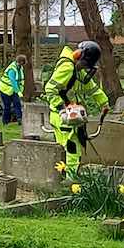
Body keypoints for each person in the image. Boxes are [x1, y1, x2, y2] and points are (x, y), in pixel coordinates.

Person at [44, 41, 110, 173]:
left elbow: (91, 87)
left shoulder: (75, 68)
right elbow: (50, 88)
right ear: (79, 56)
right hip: (63, 116)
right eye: (85, 64)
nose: (85, 68)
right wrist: (63, 109)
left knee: (64, 148)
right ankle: (70, 179)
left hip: (64, 115)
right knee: (72, 149)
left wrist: (103, 103)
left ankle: (61, 177)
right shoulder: (68, 68)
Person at [0, 54, 27, 124]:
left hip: (14, 90)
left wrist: (19, 90)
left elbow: (20, 80)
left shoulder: (20, 68)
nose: (21, 65)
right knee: (7, 106)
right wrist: (18, 91)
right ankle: (5, 121)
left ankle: (19, 119)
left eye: (22, 64)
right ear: (18, 61)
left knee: (17, 104)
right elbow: (13, 81)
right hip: (5, 89)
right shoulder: (12, 69)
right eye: (20, 63)